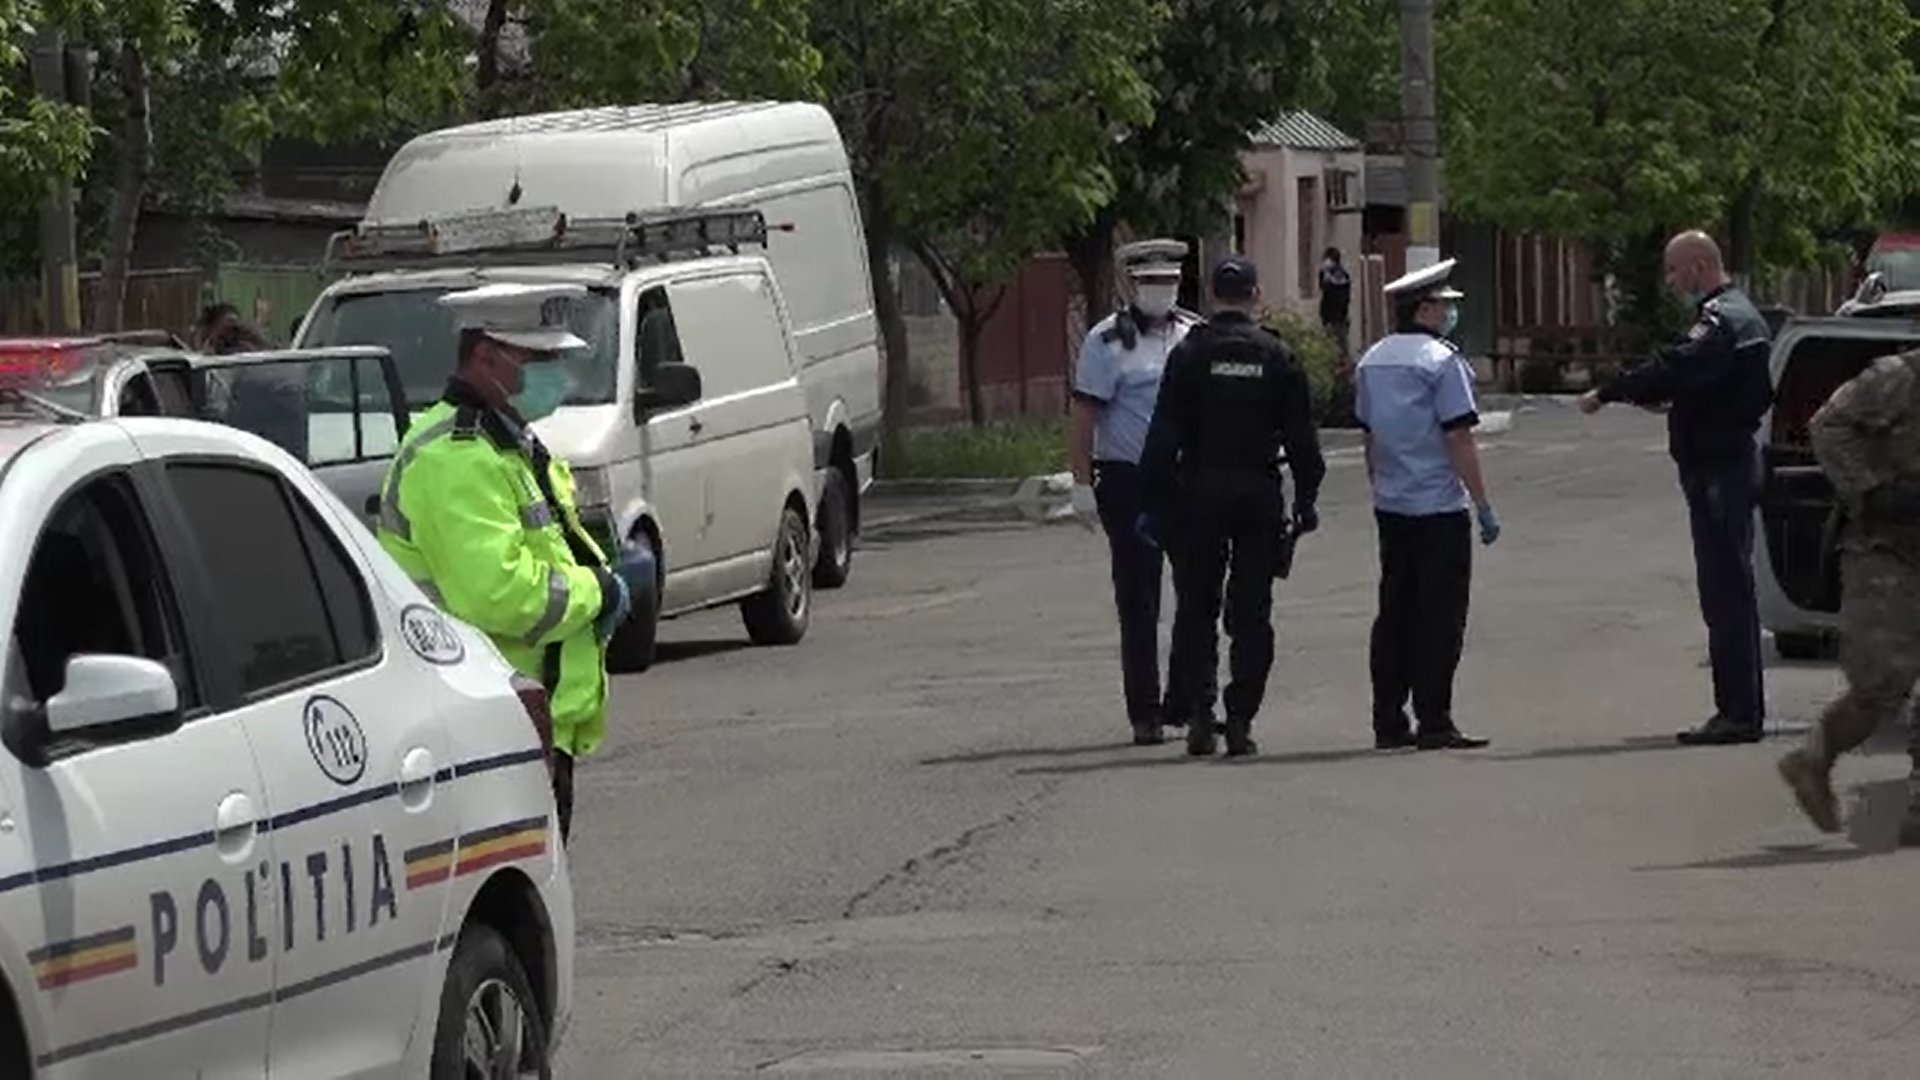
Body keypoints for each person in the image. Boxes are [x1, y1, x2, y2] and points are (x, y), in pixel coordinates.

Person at [375, 282, 642, 841]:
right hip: (488, 723)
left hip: (521, 719)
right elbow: (499, 594)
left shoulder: (507, 443)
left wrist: (602, 573)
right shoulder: (455, 457)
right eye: (538, 359)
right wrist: (599, 591)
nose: (555, 375)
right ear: (485, 357)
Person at [1579, 230, 1775, 745]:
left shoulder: (1722, 319)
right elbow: (1711, 385)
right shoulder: (1740, 316)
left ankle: (1738, 714)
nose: (1669, 282)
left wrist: (1611, 390)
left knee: (1725, 592)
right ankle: (1739, 709)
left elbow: (1678, 365)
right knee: (1729, 588)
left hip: (1719, 469)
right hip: (1724, 462)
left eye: (1673, 270)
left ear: (1698, 266)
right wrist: (1681, 402)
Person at [1141, 256, 1326, 757]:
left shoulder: (1189, 354)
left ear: (1210, 295)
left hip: (1200, 491)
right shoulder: (1276, 355)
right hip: (1257, 492)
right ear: (1256, 294)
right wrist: (1306, 500)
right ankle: (1240, 719)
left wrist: (1154, 504)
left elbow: (1162, 437)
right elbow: (1302, 439)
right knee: (1252, 611)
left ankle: (1201, 716)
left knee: (1196, 608)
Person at [1354, 258, 1498, 752]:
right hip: (1439, 505)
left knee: (1394, 612)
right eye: (1444, 305)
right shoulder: (1441, 361)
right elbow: (1458, 436)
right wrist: (1482, 503)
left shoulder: (1372, 359)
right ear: (1424, 309)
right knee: (1440, 616)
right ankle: (1435, 718)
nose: (1450, 313)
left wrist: (1379, 486)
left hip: (1392, 504)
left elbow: (1369, 436)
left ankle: (1388, 718)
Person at [1775, 350, 1920, 839]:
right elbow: (1828, 425)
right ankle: (1813, 760)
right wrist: (1873, 491)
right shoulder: (1899, 377)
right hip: (1887, 550)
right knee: (1882, 682)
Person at [1069, 238, 1207, 745]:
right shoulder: (1106, 341)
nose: (1160, 290)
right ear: (1132, 285)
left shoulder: (1196, 335)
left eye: (1168, 281)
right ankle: (1145, 711)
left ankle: (1183, 701)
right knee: (1139, 598)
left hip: (1185, 480)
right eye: (1150, 282)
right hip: (1128, 480)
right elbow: (1085, 414)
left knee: (1197, 592)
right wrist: (1081, 482)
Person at [1318, 247, 1353, 358]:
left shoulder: (1341, 275)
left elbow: (1339, 292)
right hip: (1328, 317)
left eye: (1328, 260)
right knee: (1329, 347)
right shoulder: (1325, 274)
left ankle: (1343, 362)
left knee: (1340, 346)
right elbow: (1322, 288)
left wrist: (1328, 280)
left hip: (1339, 318)